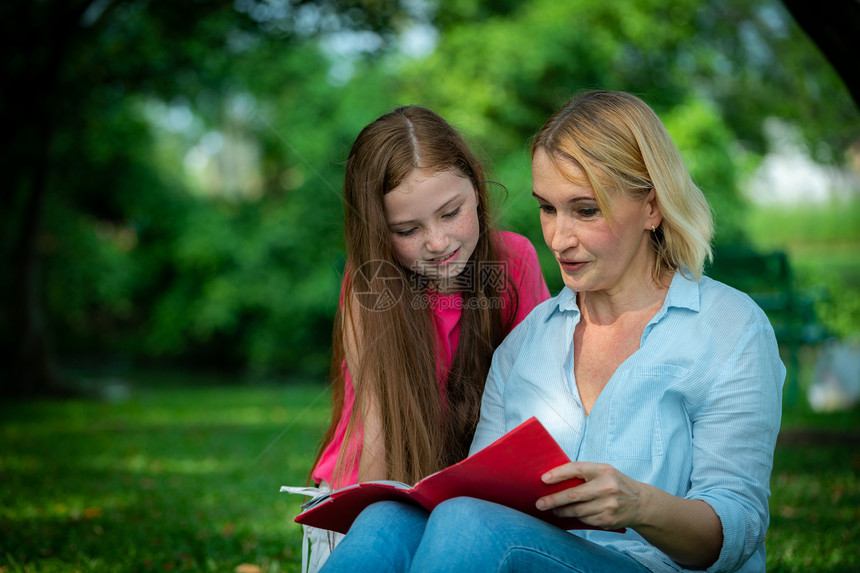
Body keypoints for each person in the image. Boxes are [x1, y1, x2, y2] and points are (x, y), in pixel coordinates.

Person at [318, 90, 785, 573]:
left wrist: (641, 506)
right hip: (541, 556)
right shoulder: (525, 344)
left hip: (654, 565)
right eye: (547, 208)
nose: (559, 239)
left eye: (585, 210)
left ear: (652, 207)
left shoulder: (729, 326)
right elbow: (483, 495)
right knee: (385, 522)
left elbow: (738, 528)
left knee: (467, 524)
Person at [300, 105, 550, 570]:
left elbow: (534, 404)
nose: (437, 242)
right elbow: (375, 421)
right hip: (362, 500)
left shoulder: (514, 261)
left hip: (469, 508)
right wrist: (370, 532)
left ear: (476, 189)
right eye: (408, 230)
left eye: (450, 212)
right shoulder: (368, 284)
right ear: (379, 232)